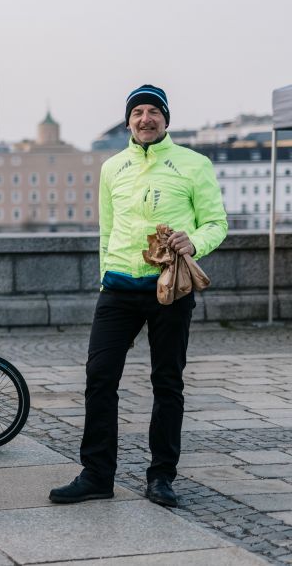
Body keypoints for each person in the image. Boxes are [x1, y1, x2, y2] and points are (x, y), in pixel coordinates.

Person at [49, 85, 228, 508]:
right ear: (128, 121)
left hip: (170, 288)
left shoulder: (194, 165)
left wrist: (194, 241)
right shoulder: (112, 167)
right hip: (118, 288)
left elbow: (217, 223)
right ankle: (96, 475)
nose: (145, 119)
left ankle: (161, 476)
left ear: (166, 120)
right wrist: (103, 281)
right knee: (99, 377)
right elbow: (106, 231)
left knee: (167, 383)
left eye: (153, 112)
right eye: (138, 112)